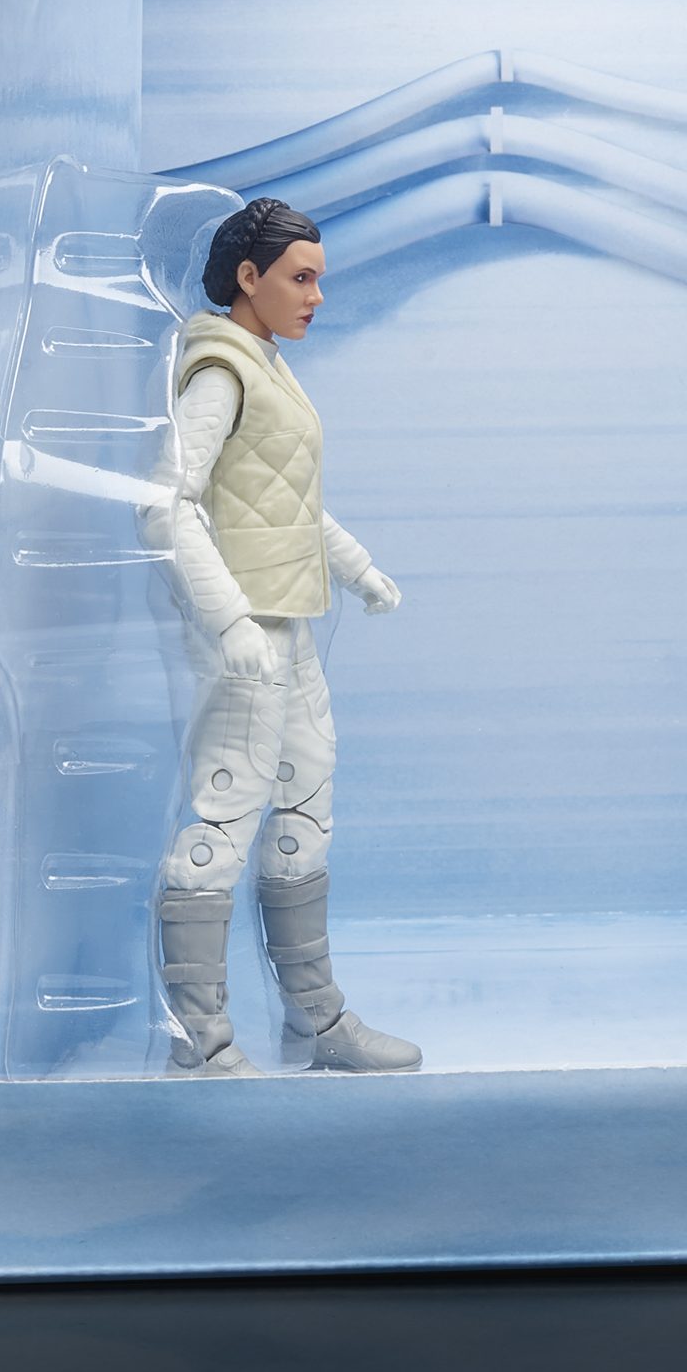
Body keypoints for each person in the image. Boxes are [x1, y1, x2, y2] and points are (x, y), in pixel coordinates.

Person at [148, 197, 423, 1076]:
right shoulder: (220, 371)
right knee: (226, 812)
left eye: (317, 280)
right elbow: (166, 505)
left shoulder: (265, 366)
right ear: (248, 277)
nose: (315, 297)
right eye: (300, 278)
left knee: (306, 801)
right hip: (247, 635)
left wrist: (358, 568)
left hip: (288, 623)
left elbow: (287, 500)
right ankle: (201, 1041)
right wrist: (227, 617)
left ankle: (314, 1019)